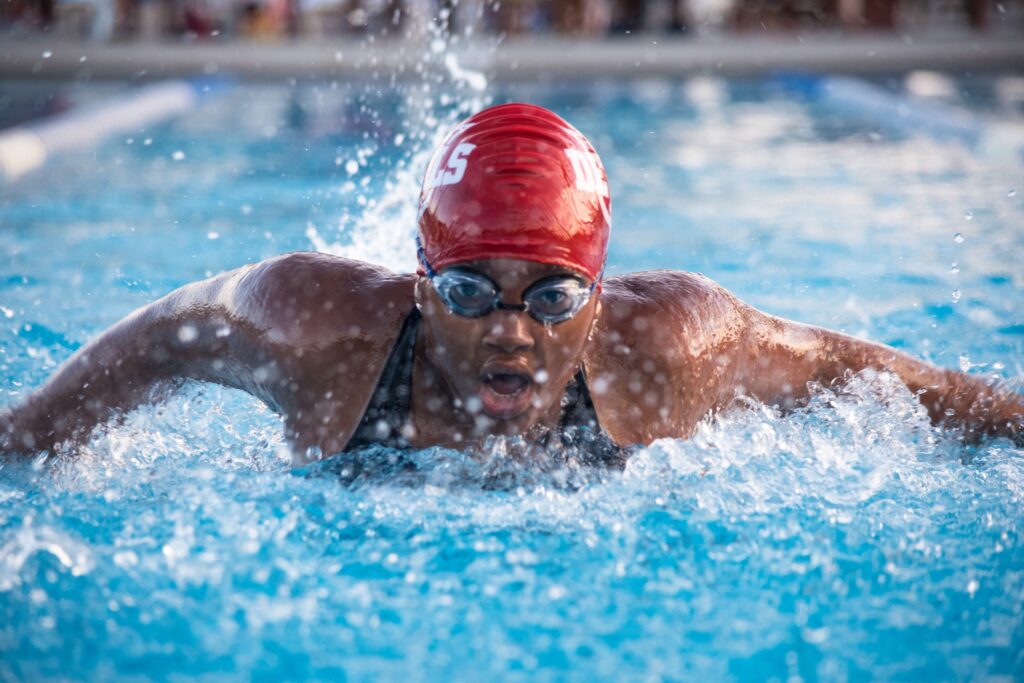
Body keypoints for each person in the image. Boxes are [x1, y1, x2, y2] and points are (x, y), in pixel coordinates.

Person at [1, 103, 1021, 465]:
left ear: (598, 292)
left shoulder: (664, 347)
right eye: (470, 291)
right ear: (419, 279)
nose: (510, 332)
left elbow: (860, 369)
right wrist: (29, 429)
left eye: (550, 297)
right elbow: (157, 333)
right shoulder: (314, 326)